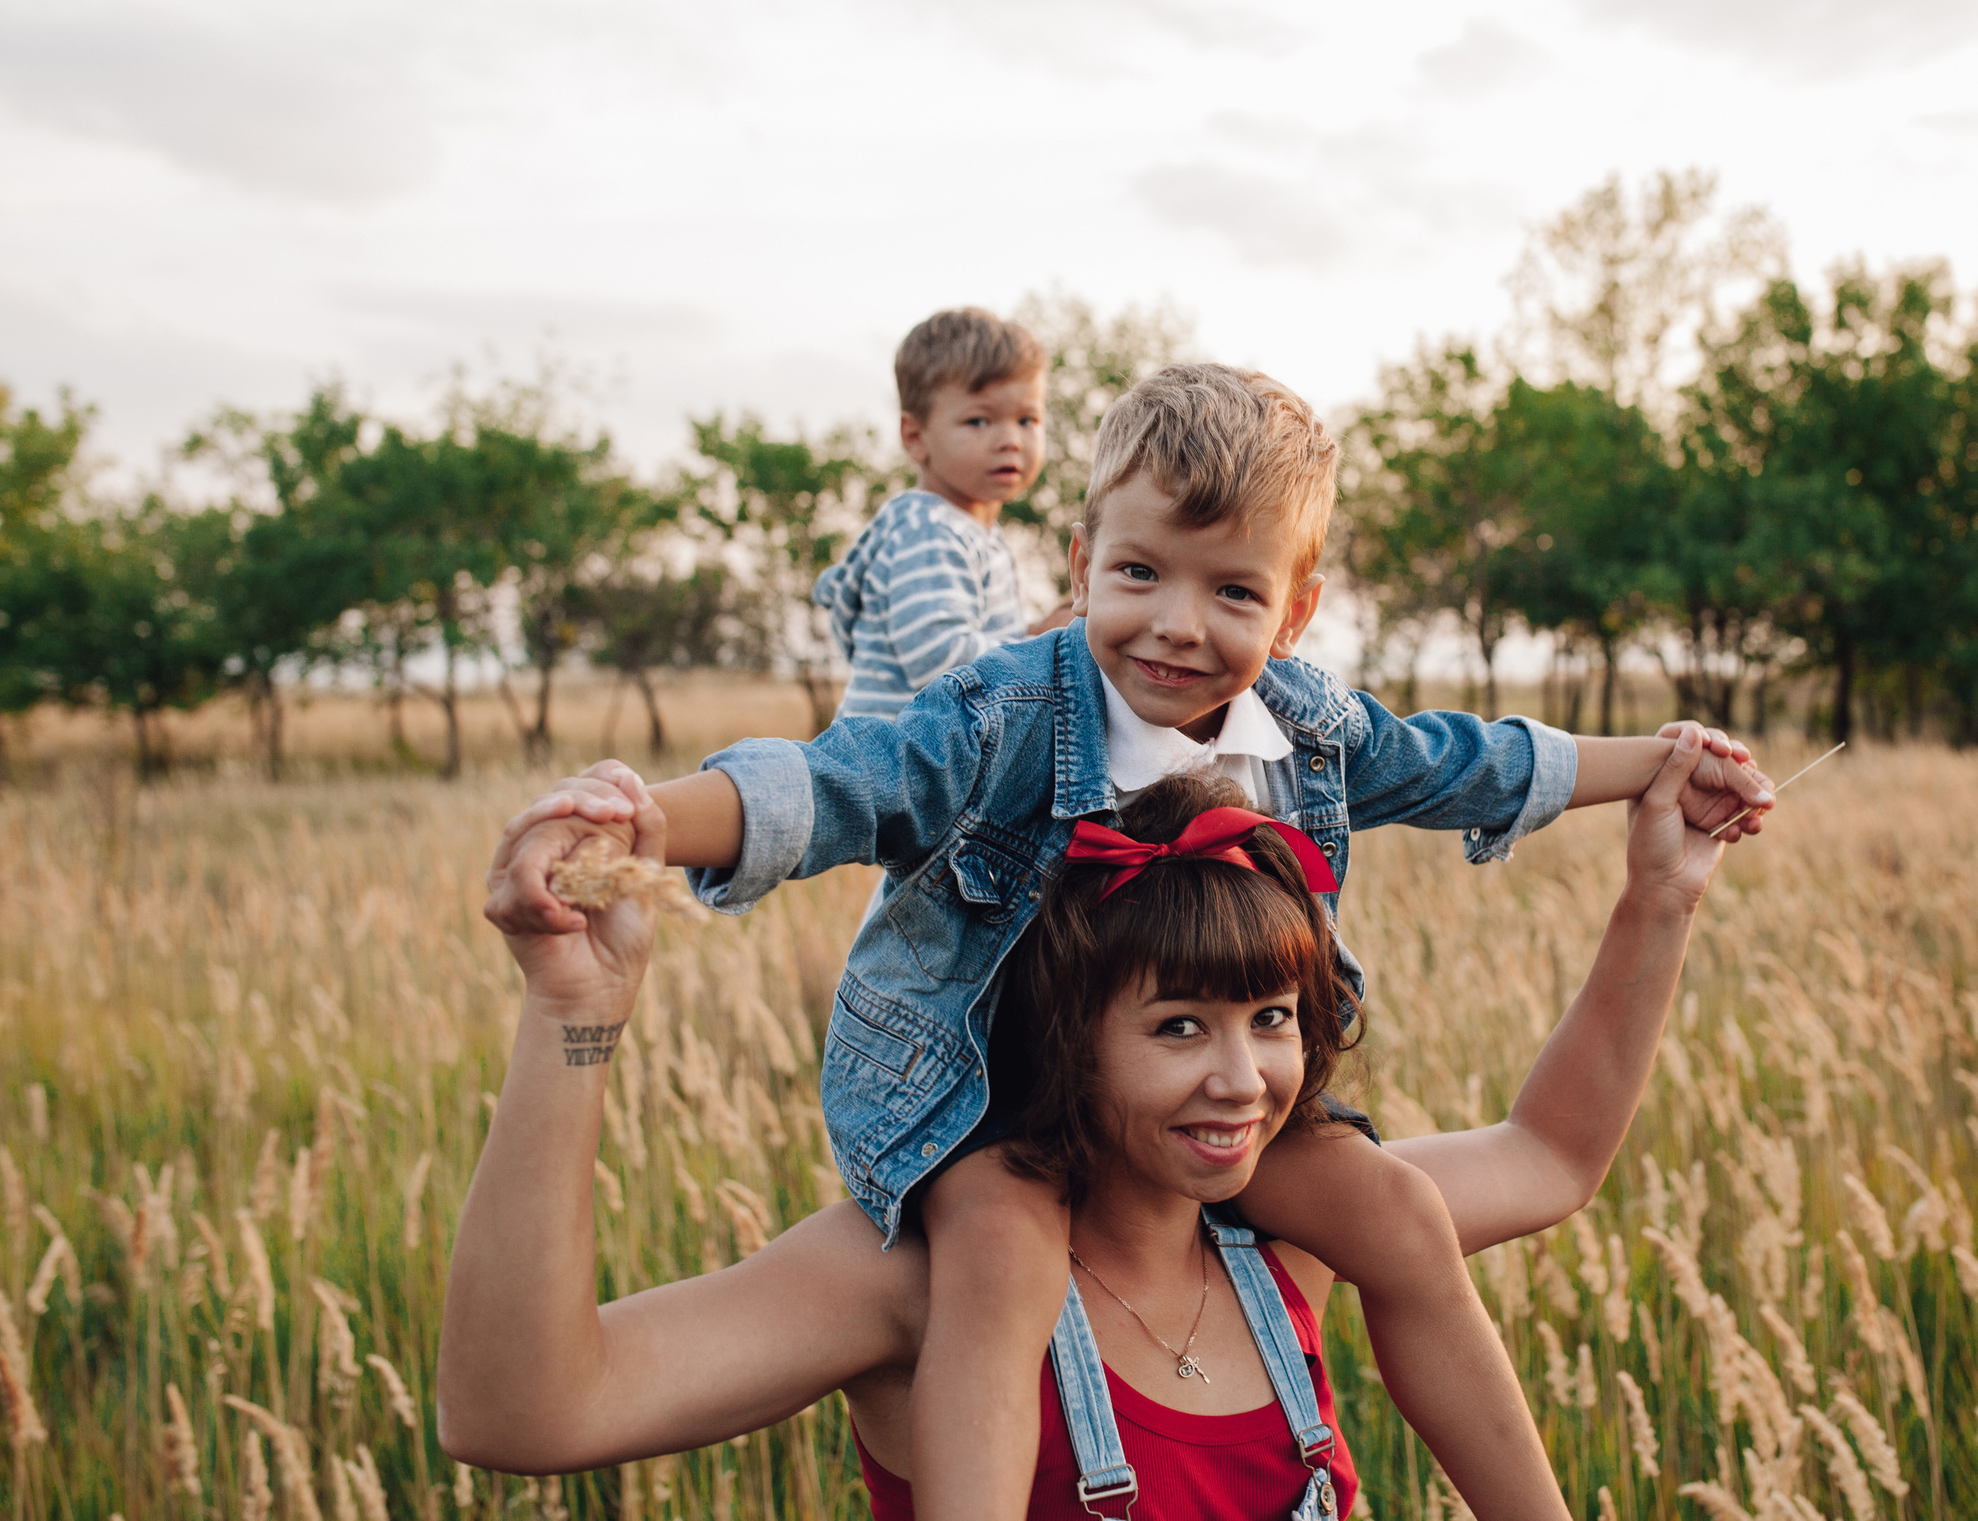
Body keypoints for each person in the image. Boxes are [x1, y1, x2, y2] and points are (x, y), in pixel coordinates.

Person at [485, 362, 1776, 1519]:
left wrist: (1660, 799)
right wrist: (653, 829)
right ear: (1081, 556)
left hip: (1124, 1133)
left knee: (1393, 1202)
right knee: (1003, 1246)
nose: (1174, 624)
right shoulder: (1006, 717)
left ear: (1296, 607)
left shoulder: (1283, 1224)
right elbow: (846, 783)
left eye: (1267, 1016)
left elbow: (1466, 768)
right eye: (1141, 574)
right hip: (976, 1102)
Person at [444, 729, 1739, 1516]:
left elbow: (1550, 1156)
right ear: (1068, 1035)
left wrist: (1662, 893)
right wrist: (578, 1008)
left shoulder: (1287, 1236)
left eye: (1272, 1018)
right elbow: (523, 1409)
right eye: (1178, 1026)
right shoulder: (919, 1280)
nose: (1243, 1078)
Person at [812, 306, 1066, 725]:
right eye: (979, 420)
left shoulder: (971, 530)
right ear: (916, 437)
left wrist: (1031, 632)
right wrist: (1036, 645)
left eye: (1027, 419)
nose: (1010, 440)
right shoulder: (929, 533)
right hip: (892, 768)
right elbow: (939, 662)